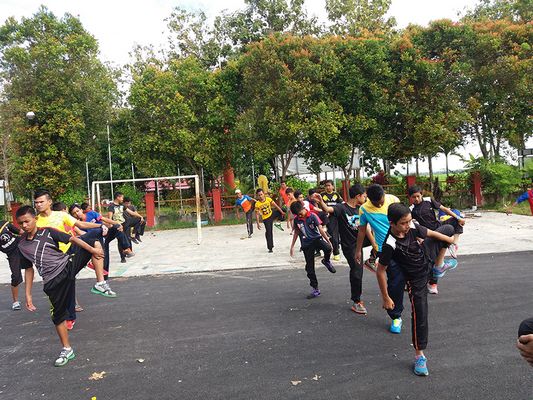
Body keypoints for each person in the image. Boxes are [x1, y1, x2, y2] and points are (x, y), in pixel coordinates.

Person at [16, 205, 116, 367]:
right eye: (21, 223)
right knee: (58, 317)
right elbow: (28, 270)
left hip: (67, 265)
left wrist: (92, 250)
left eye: (27, 221)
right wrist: (28, 295)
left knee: (94, 240)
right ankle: (67, 349)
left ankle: (100, 283)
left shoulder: (48, 232)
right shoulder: (22, 245)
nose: (24, 225)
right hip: (52, 281)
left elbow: (72, 239)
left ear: (35, 219)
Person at [375, 203, 455, 376]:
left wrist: (449, 241)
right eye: (403, 223)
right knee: (420, 314)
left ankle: (438, 267)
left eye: (409, 221)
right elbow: (380, 271)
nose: (408, 225)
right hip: (416, 279)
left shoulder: (412, 226)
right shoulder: (390, 244)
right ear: (392, 223)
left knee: (448, 228)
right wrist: (385, 297)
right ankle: (420, 355)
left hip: (426, 257)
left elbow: (430, 233)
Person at [314, 183, 373, 314]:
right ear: (358, 196)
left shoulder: (361, 209)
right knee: (357, 271)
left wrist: (374, 243)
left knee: (383, 239)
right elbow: (328, 209)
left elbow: (366, 227)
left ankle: (371, 259)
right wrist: (321, 201)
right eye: (364, 196)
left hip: (360, 243)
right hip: (350, 246)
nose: (365, 198)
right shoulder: (342, 208)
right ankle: (356, 301)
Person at [355, 184, 403, 333]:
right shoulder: (364, 209)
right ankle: (396, 317)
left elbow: (406, 220)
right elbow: (362, 231)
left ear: (384, 194)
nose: (380, 205)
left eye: (381, 201)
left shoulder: (393, 200)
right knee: (394, 283)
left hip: (403, 244)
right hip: (385, 250)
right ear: (369, 199)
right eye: (376, 203)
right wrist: (358, 250)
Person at [408, 185, 464, 294]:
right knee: (434, 257)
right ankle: (433, 283)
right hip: (429, 235)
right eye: (414, 197)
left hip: (439, 227)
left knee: (456, 221)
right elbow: (412, 227)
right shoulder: (411, 210)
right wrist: (420, 239)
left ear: (421, 195)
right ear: (410, 198)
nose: (416, 199)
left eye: (418, 196)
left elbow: (444, 209)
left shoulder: (428, 200)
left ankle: (454, 244)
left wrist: (458, 218)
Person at [69, 203, 132, 279]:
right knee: (104, 258)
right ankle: (104, 279)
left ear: (81, 210)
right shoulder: (78, 224)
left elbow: (105, 219)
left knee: (117, 227)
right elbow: (83, 235)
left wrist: (117, 223)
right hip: (98, 241)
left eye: (77, 211)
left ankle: (126, 248)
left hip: (106, 234)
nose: (77, 214)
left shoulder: (91, 214)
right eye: (74, 213)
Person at [289, 200, 335, 299]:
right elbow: (296, 232)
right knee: (310, 268)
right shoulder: (297, 220)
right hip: (306, 244)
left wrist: (328, 241)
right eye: (297, 215)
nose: (299, 216)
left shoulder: (313, 216)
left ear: (303, 208)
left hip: (317, 239)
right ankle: (315, 289)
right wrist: (292, 246)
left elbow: (321, 229)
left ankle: (326, 261)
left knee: (328, 248)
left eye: (300, 213)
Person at [0, 220, 34, 311]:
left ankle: (28, 294)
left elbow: (20, 232)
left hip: (21, 246)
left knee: (29, 267)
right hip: (12, 254)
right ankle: (15, 302)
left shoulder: (3, 224)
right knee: (15, 277)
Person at [108, 192, 136, 262]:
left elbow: (131, 212)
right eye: (122, 197)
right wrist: (111, 224)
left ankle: (128, 250)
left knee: (126, 238)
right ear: (118, 197)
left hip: (124, 224)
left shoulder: (122, 205)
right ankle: (123, 256)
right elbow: (110, 218)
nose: (123, 199)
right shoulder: (111, 206)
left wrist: (140, 216)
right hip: (116, 226)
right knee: (120, 240)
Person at [255, 188, 286, 252]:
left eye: (261, 194)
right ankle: (270, 247)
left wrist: (282, 212)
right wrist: (258, 223)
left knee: (283, 209)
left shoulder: (268, 199)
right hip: (266, 219)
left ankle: (279, 220)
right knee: (269, 232)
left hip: (271, 214)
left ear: (264, 194)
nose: (260, 196)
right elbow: (257, 214)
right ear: (257, 196)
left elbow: (276, 206)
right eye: (259, 195)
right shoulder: (257, 204)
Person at [321, 180, 343, 261]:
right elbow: (319, 205)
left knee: (335, 235)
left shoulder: (336, 195)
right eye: (326, 186)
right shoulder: (322, 195)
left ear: (333, 186)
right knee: (330, 235)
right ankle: (335, 250)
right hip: (326, 217)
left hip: (335, 216)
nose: (327, 187)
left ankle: (336, 250)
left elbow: (341, 204)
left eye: (329, 185)